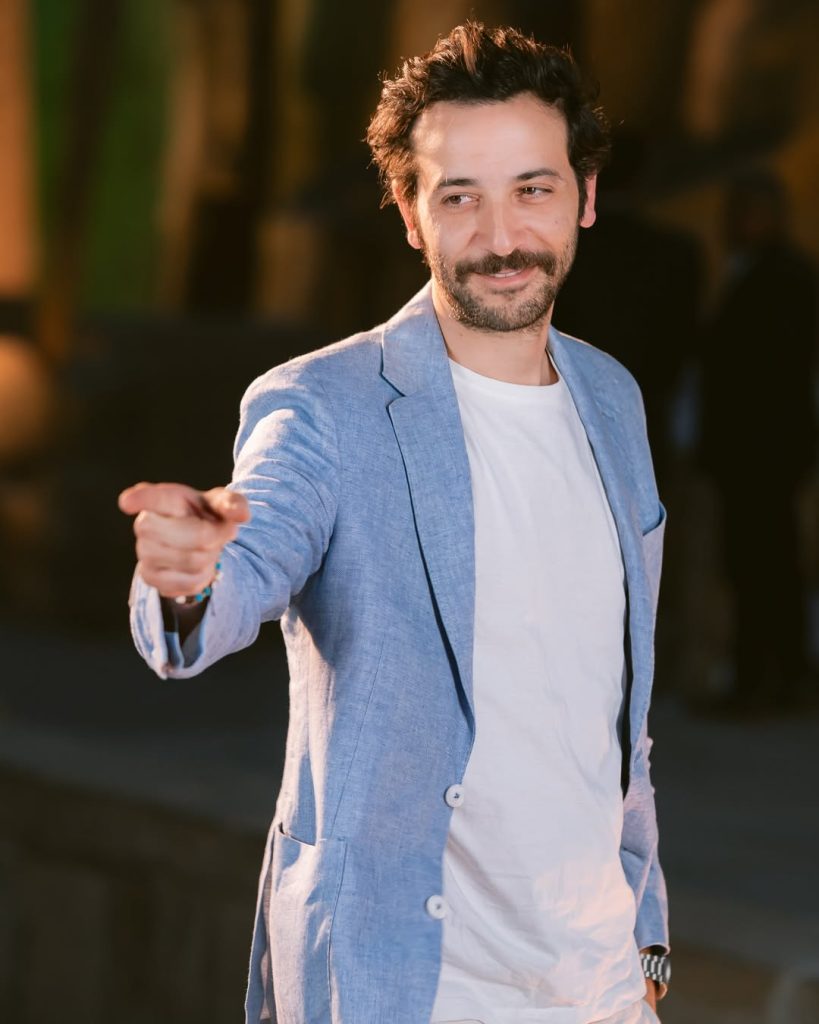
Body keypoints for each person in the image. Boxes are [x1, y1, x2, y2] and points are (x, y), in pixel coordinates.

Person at [120, 23, 670, 1024]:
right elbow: (246, 560)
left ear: (585, 196)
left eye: (533, 189)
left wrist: (647, 941)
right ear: (410, 214)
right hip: (408, 988)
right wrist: (190, 575)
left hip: (601, 990)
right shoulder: (323, 405)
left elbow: (613, 715)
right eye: (458, 197)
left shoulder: (612, 399)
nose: (500, 236)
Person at [698, 169, 817, 714]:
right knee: (758, 561)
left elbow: (770, 371)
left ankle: (766, 679)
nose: (732, 223)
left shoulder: (782, 277)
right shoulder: (763, 272)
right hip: (758, 450)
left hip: (763, 451)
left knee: (762, 564)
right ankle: (775, 676)